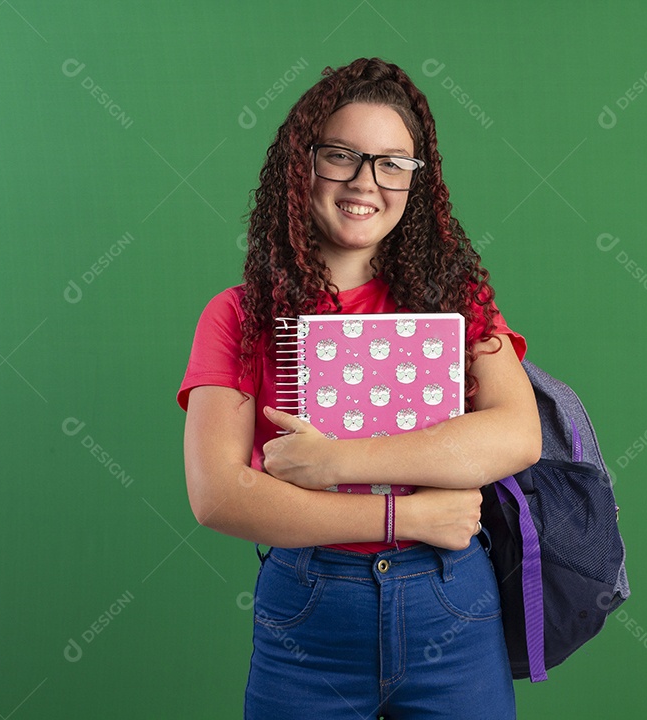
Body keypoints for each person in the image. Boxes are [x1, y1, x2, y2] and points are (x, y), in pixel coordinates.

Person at [178, 57, 540, 719]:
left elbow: (516, 434)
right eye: (341, 155)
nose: (365, 181)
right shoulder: (239, 314)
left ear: (416, 181)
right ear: (301, 165)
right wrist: (407, 515)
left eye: (392, 163)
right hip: (308, 608)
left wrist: (336, 462)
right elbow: (217, 495)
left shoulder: (453, 304)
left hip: (451, 604)